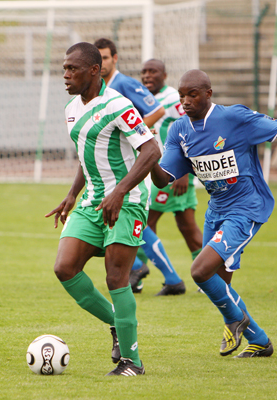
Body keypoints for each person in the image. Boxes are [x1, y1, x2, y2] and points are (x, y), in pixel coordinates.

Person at [151, 69, 277, 358]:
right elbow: (163, 177)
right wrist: (147, 154)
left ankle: (235, 320)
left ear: (208, 93)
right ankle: (260, 341)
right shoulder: (179, 130)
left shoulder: (234, 118)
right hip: (216, 209)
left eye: (192, 94)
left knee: (200, 271)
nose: (186, 101)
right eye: (181, 96)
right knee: (219, 284)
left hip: (246, 207)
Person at [45, 42, 161, 375]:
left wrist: (121, 192)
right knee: (65, 268)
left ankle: (132, 362)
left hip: (128, 202)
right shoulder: (71, 108)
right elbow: (87, 154)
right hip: (92, 201)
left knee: (116, 277)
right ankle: (116, 324)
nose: (66, 75)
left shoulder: (118, 105)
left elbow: (150, 149)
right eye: (64, 68)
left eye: (73, 69)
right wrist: (71, 195)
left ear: (94, 71)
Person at [94, 39, 186, 295]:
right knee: (107, 215)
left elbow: (157, 110)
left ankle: (165, 276)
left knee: (133, 218)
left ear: (115, 58)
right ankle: (141, 269)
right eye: (97, 59)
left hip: (136, 161)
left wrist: (133, 134)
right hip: (116, 162)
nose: (102, 63)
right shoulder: (99, 88)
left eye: (106, 58)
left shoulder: (123, 83)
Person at [126, 58, 205, 296]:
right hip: (160, 172)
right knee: (183, 227)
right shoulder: (147, 100)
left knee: (143, 223)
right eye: (144, 72)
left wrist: (184, 172)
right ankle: (207, 276)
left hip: (172, 174)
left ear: (165, 75)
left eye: (153, 72)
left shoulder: (173, 98)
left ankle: (138, 271)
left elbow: (193, 128)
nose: (147, 76)